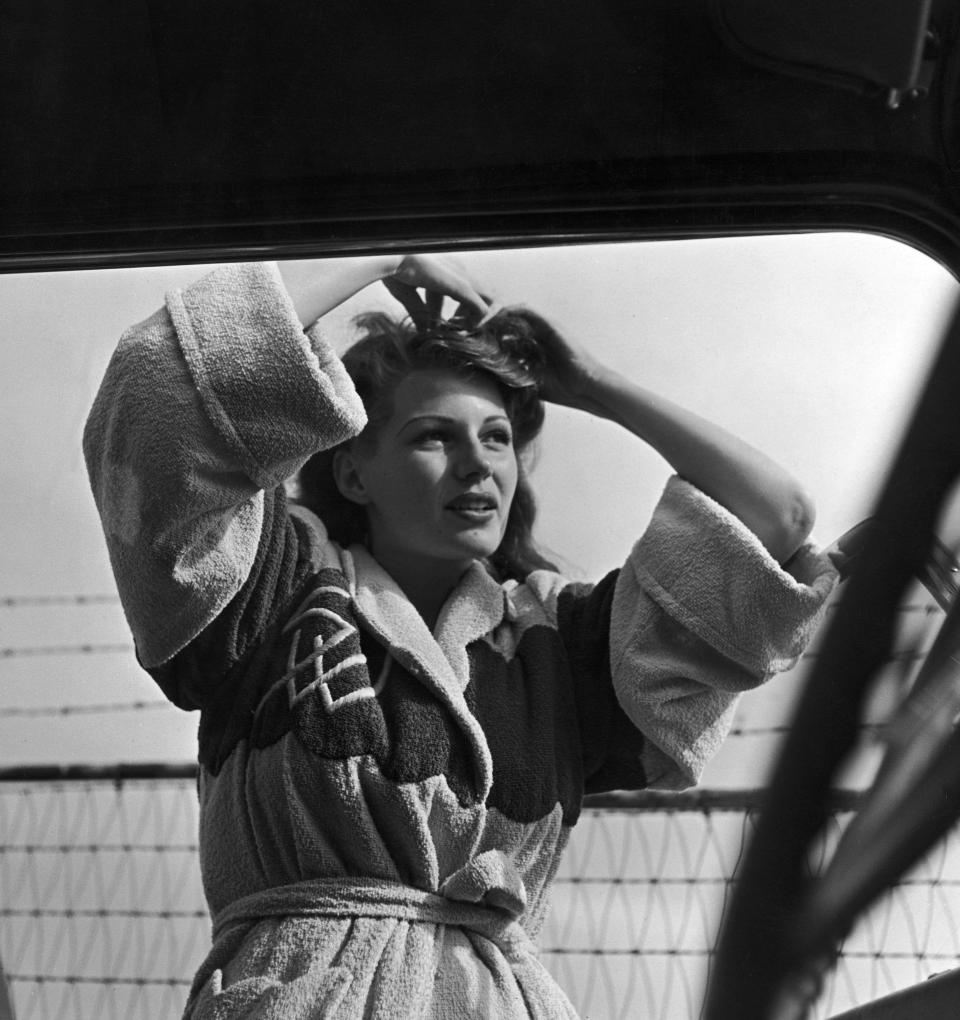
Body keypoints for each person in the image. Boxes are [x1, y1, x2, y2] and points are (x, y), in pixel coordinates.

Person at [83, 254, 837, 1019]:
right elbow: (159, 394)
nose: (478, 463)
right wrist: (382, 251)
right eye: (433, 437)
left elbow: (776, 517)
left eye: (499, 437)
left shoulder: (562, 646)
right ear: (352, 474)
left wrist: (593, 384)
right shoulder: (272, 585)